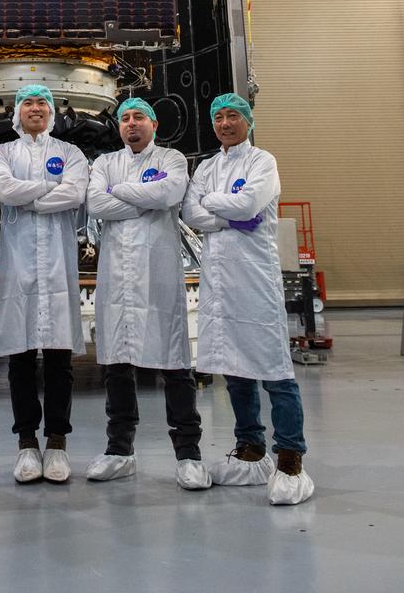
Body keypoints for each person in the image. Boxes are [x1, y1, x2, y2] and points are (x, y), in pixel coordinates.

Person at [182, 92, 314, 506]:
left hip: (256, 281)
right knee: (235, 369)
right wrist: (227, 217)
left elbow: (249, 203)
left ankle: (290, 459)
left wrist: (212, 205)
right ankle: (251, 450)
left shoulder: (263, 162)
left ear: (248, 121)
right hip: (219, 283)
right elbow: (190, 213)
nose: (225, 123)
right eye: (218, 117)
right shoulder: (207, 167)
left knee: (275, 371)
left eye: (232, 116)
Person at [86, 98, 211, 489]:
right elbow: (95, 202)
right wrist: (143, 198)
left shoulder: (172, 159)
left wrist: (120, 193)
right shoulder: (105, 163)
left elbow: (169, 194)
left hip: (158, 275)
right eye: (124, 118)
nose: (131, 123)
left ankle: (188, 455)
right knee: (117, 364)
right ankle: (120, 451)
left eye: (138, 117)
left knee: (174, 363)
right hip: (116, 277)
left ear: (154, 124)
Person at [0, 84, 88, 484]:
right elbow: (3, 189)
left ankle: (57, 443)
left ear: (51, 112)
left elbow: (75, 194)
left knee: (60, 360)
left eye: (42, 102)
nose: (35, 108)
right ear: (17, 112)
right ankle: (27, 443)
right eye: (27, 102)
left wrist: (28, 197)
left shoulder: (70, 153)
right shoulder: (1, 153)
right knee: (21, 358)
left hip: (59, 265)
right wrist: (50, 189)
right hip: (19, 265)